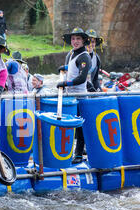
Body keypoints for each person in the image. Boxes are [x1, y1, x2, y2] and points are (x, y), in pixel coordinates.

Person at [57, 27, 92, 164]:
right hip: (70, 97)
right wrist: (64, 68)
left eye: (78, 39)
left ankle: (78, 154)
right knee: (71, 125)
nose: (75, 41)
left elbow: (82, 78)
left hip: (80, 97)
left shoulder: (84, 56)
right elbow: (74, 67)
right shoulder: (74, 53)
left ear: (83, 41)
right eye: (73, 39)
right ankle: (68, 152)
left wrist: (65, 83)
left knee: (79, 127)